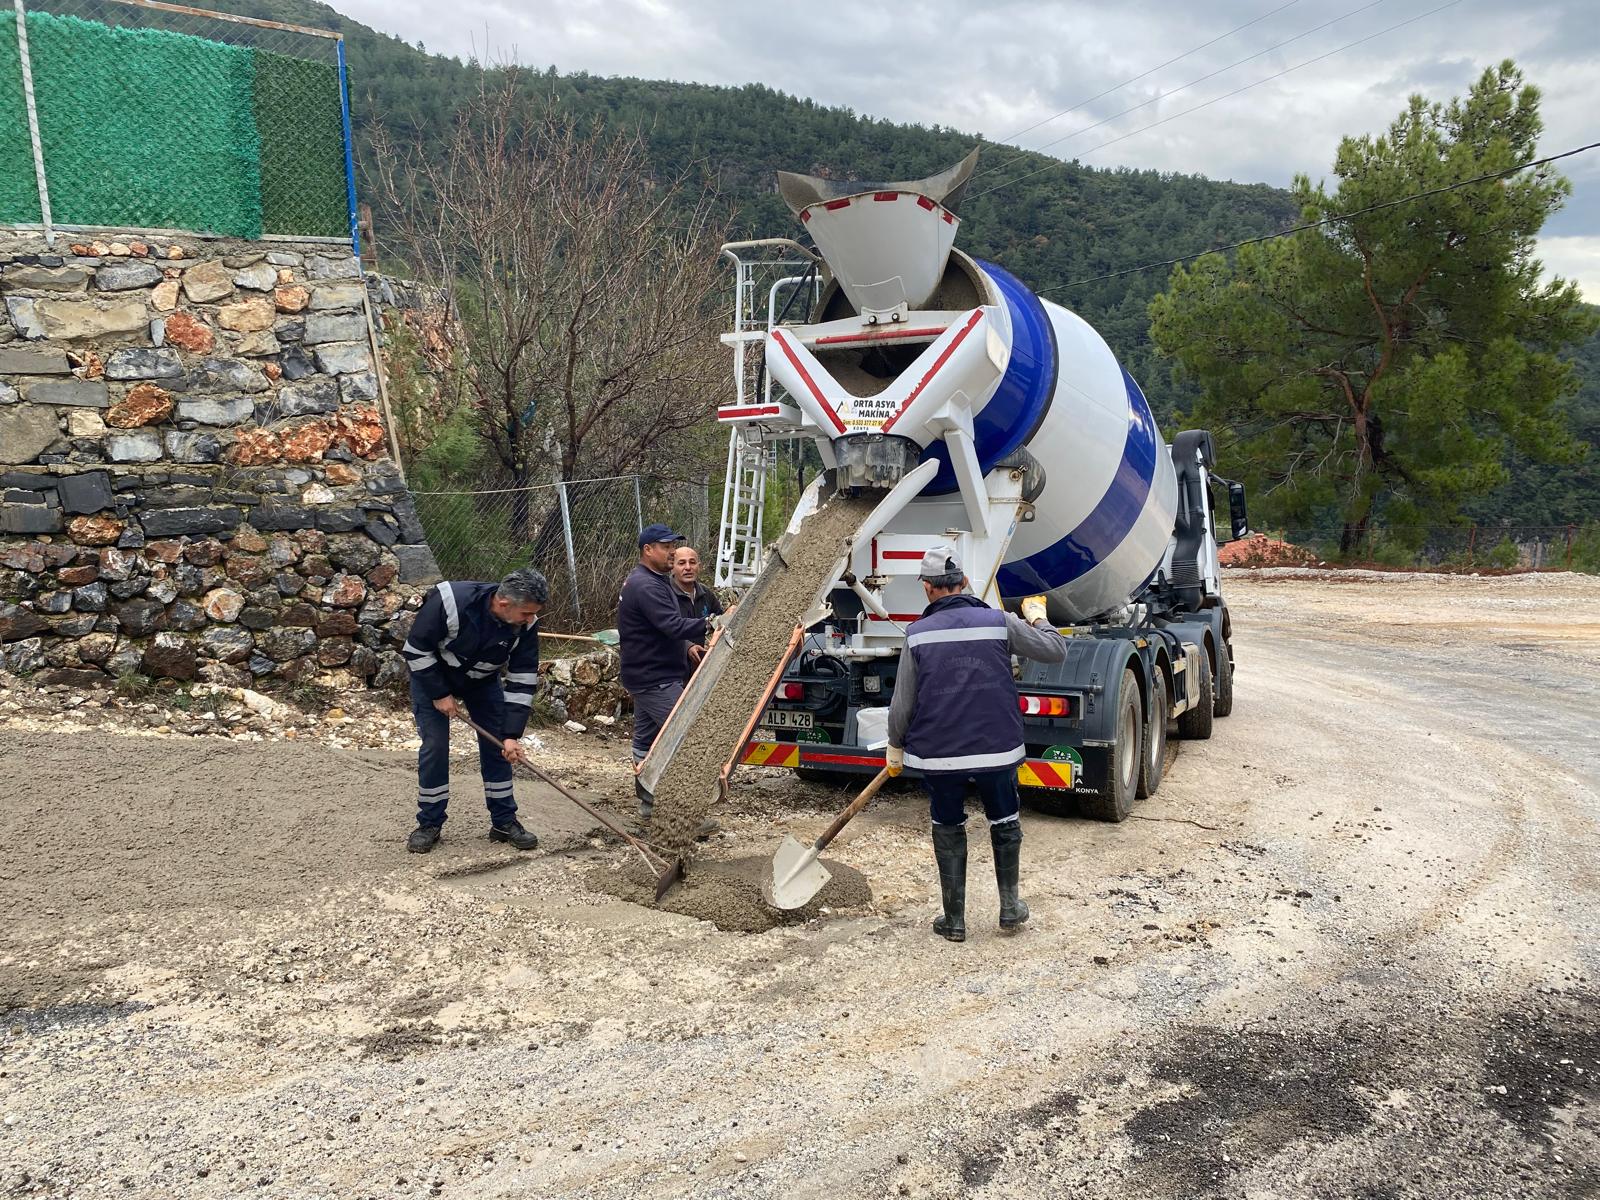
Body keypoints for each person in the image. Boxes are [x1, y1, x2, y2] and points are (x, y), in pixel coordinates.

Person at [884, 546, 1064, 942]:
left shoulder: (916, 635)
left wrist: (895, 745)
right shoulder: (1000, 622)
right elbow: (1055, 650)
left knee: (947, 823)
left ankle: (954, 921)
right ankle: (1011, 909)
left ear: (928, 589)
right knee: (1004, 819)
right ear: (964, 582)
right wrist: (1038, 620)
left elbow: (903, 703)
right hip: (997, 750)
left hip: (939, 755)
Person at [400, 567, 548, 854]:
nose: (530, 620)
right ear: (504, 603)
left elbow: (522, 677)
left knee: (497, 747)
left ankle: (503, 822)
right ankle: (429, 823)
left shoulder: (526, 624)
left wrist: (511, 734)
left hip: (482, 682)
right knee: (435, 745)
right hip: (434, 677)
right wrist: (440, 693)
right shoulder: (450, 600)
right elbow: (415, 649)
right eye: (525, 613)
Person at [618, 524, 718, 821]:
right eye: (666, 546)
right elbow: (672, 625)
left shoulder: (653, 579)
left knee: (646, 742)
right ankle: (683, 817)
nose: (672, 551)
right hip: (655, 677)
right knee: (685, 739)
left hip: (649, 674)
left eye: (674, 545)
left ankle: (649, 805)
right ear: (648, 550)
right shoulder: (646, 585)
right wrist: (713, 622)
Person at [670, 545, 724, 681]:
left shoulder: (705, 594)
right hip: (670, 672)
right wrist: (687, 646)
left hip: (697, 670)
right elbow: (661, 630)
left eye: (692, 562)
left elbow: (720, 620)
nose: (688, 567)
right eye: (681, 563)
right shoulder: (664, 595)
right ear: (672, 567)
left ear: (699, 566)